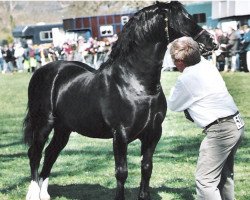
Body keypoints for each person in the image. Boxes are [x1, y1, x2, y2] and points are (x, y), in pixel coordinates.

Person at [167, 36, 245, 200]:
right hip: (236, 124)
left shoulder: (185, 79)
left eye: (174, 60)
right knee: (225, 175)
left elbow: (173, 105)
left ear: (179, 62)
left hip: (221, 130)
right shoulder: (205, 64)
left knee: (205, 181)